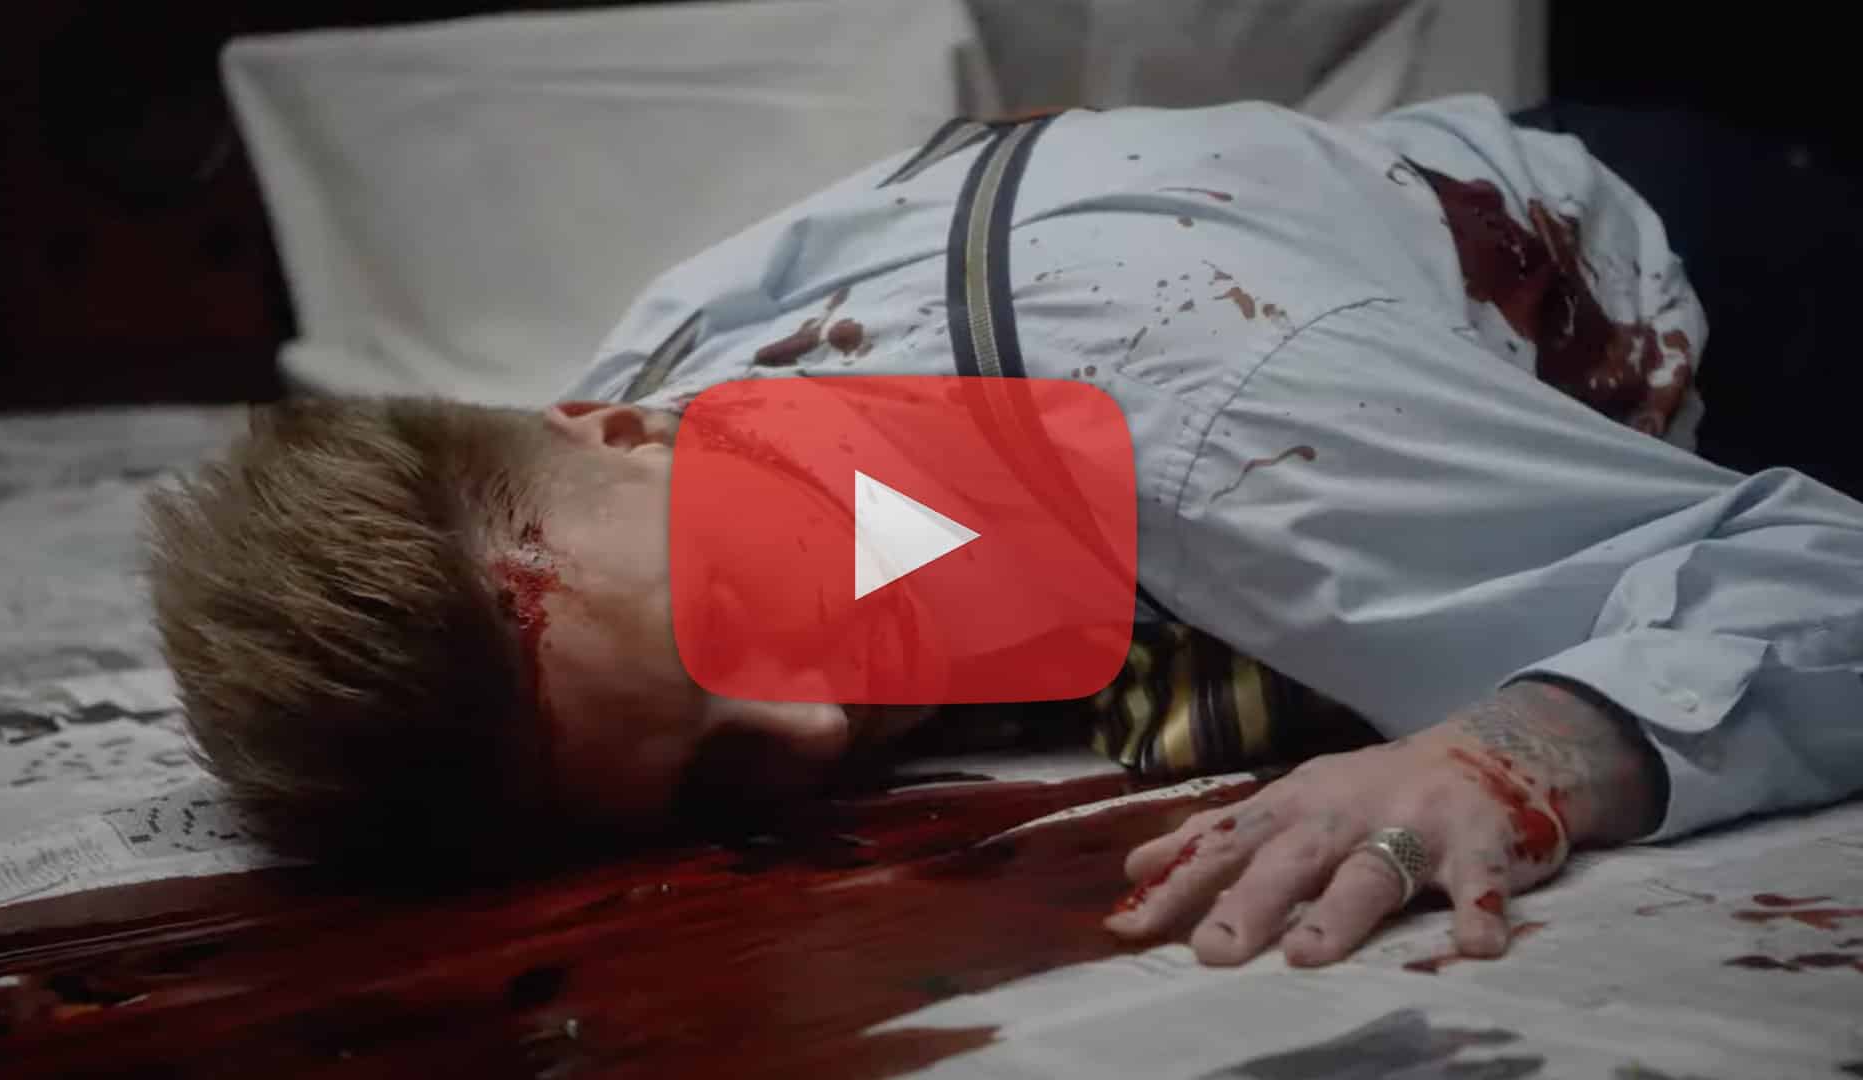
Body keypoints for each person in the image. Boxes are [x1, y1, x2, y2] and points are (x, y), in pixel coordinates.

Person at [145, 94, 1863, 969]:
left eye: (746, 608)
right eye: (720, 779)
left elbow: (1820, 574)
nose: (812, 730)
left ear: (617, 426)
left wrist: (1522, 747)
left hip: (1739, 273)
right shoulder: (631, 442)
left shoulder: (1218, 417)